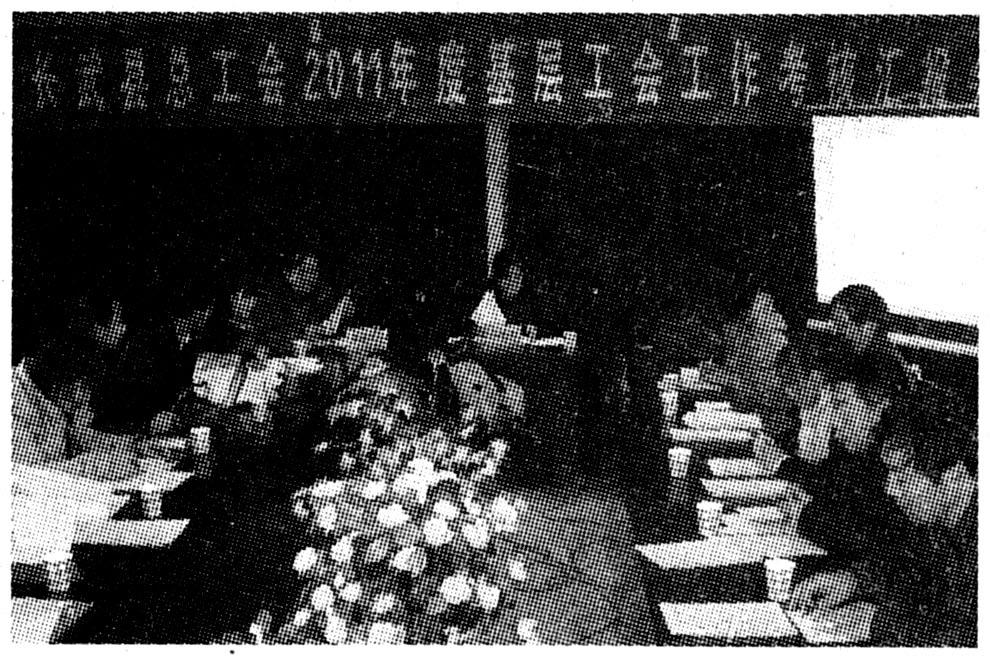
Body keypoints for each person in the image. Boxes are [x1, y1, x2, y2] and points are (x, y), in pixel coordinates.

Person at [788, 386, 976, 646]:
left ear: (954, 478)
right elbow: (908, 572)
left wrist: (880, 623)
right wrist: (852, 580)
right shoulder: (933, 523)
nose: (890, 489)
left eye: (901, 477)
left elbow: (965, 635)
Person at [762, 339, 908, 558]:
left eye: (840, 404)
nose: (834, 420)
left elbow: (863, 539)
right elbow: (831, 493)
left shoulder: (891, 457)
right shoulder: (854, 450)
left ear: (878, 405)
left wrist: (802, 514)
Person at [704, 288, 790, 413]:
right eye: (768, 310)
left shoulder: (782, 369)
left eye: (773, 310)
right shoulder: (742, 352)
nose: (781, 321)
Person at [828, 284, 910, 384]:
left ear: (868, 325)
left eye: (842, 325)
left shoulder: (887, 367)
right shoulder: (850, 354)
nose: (837, 332)